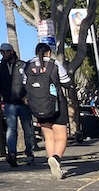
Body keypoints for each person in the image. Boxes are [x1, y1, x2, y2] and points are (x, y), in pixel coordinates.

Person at [24, 42, 72, 180]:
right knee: (61, 136)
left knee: (49, 137)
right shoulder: (54, 64)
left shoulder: (28, 65)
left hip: (38, 106)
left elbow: (24, 84)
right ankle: (56, 158)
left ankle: (52, 164)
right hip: (56, 104)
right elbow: (66, 81)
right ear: (49, 52)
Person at [0, 42, 35, 166]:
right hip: (9, 103)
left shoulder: (23, 65)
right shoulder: (1, 67)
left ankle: (30, 154)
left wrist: (28, 96)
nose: (3, 54)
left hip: (23, 103)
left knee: (27, 129)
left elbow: (30, 82)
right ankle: (12, 154)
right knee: (11, 129)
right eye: (1, 52)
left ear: (11, 52)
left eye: (5, 52)